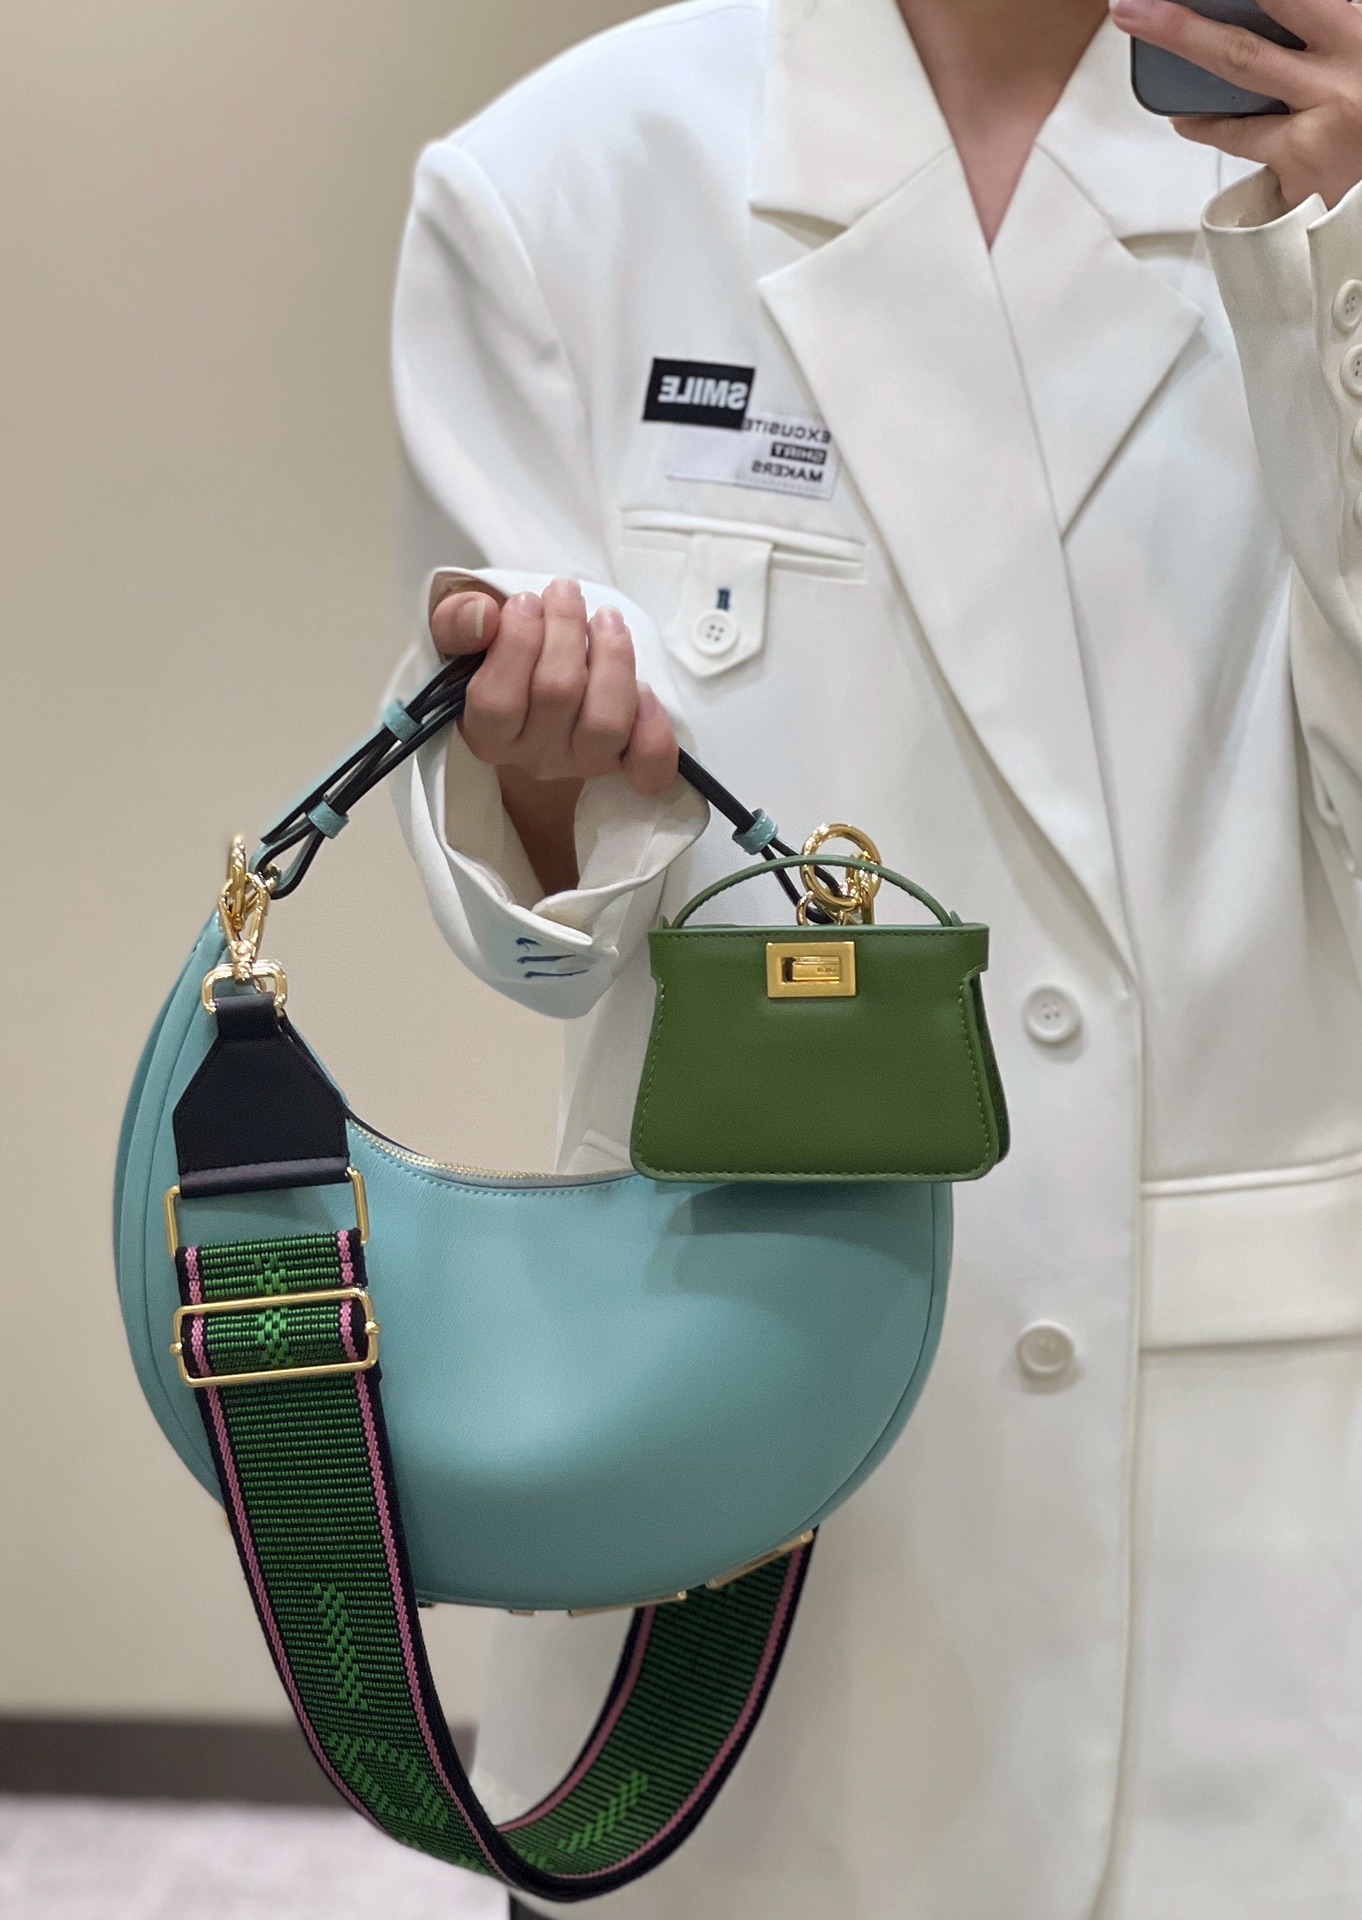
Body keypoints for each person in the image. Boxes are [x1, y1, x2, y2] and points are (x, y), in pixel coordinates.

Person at [384, 0, 1362, 1912]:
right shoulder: (563, 181)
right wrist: (546, 786)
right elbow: (535, 933)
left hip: (1247, 1488)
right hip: (751, 1441)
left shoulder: (1321, 147)